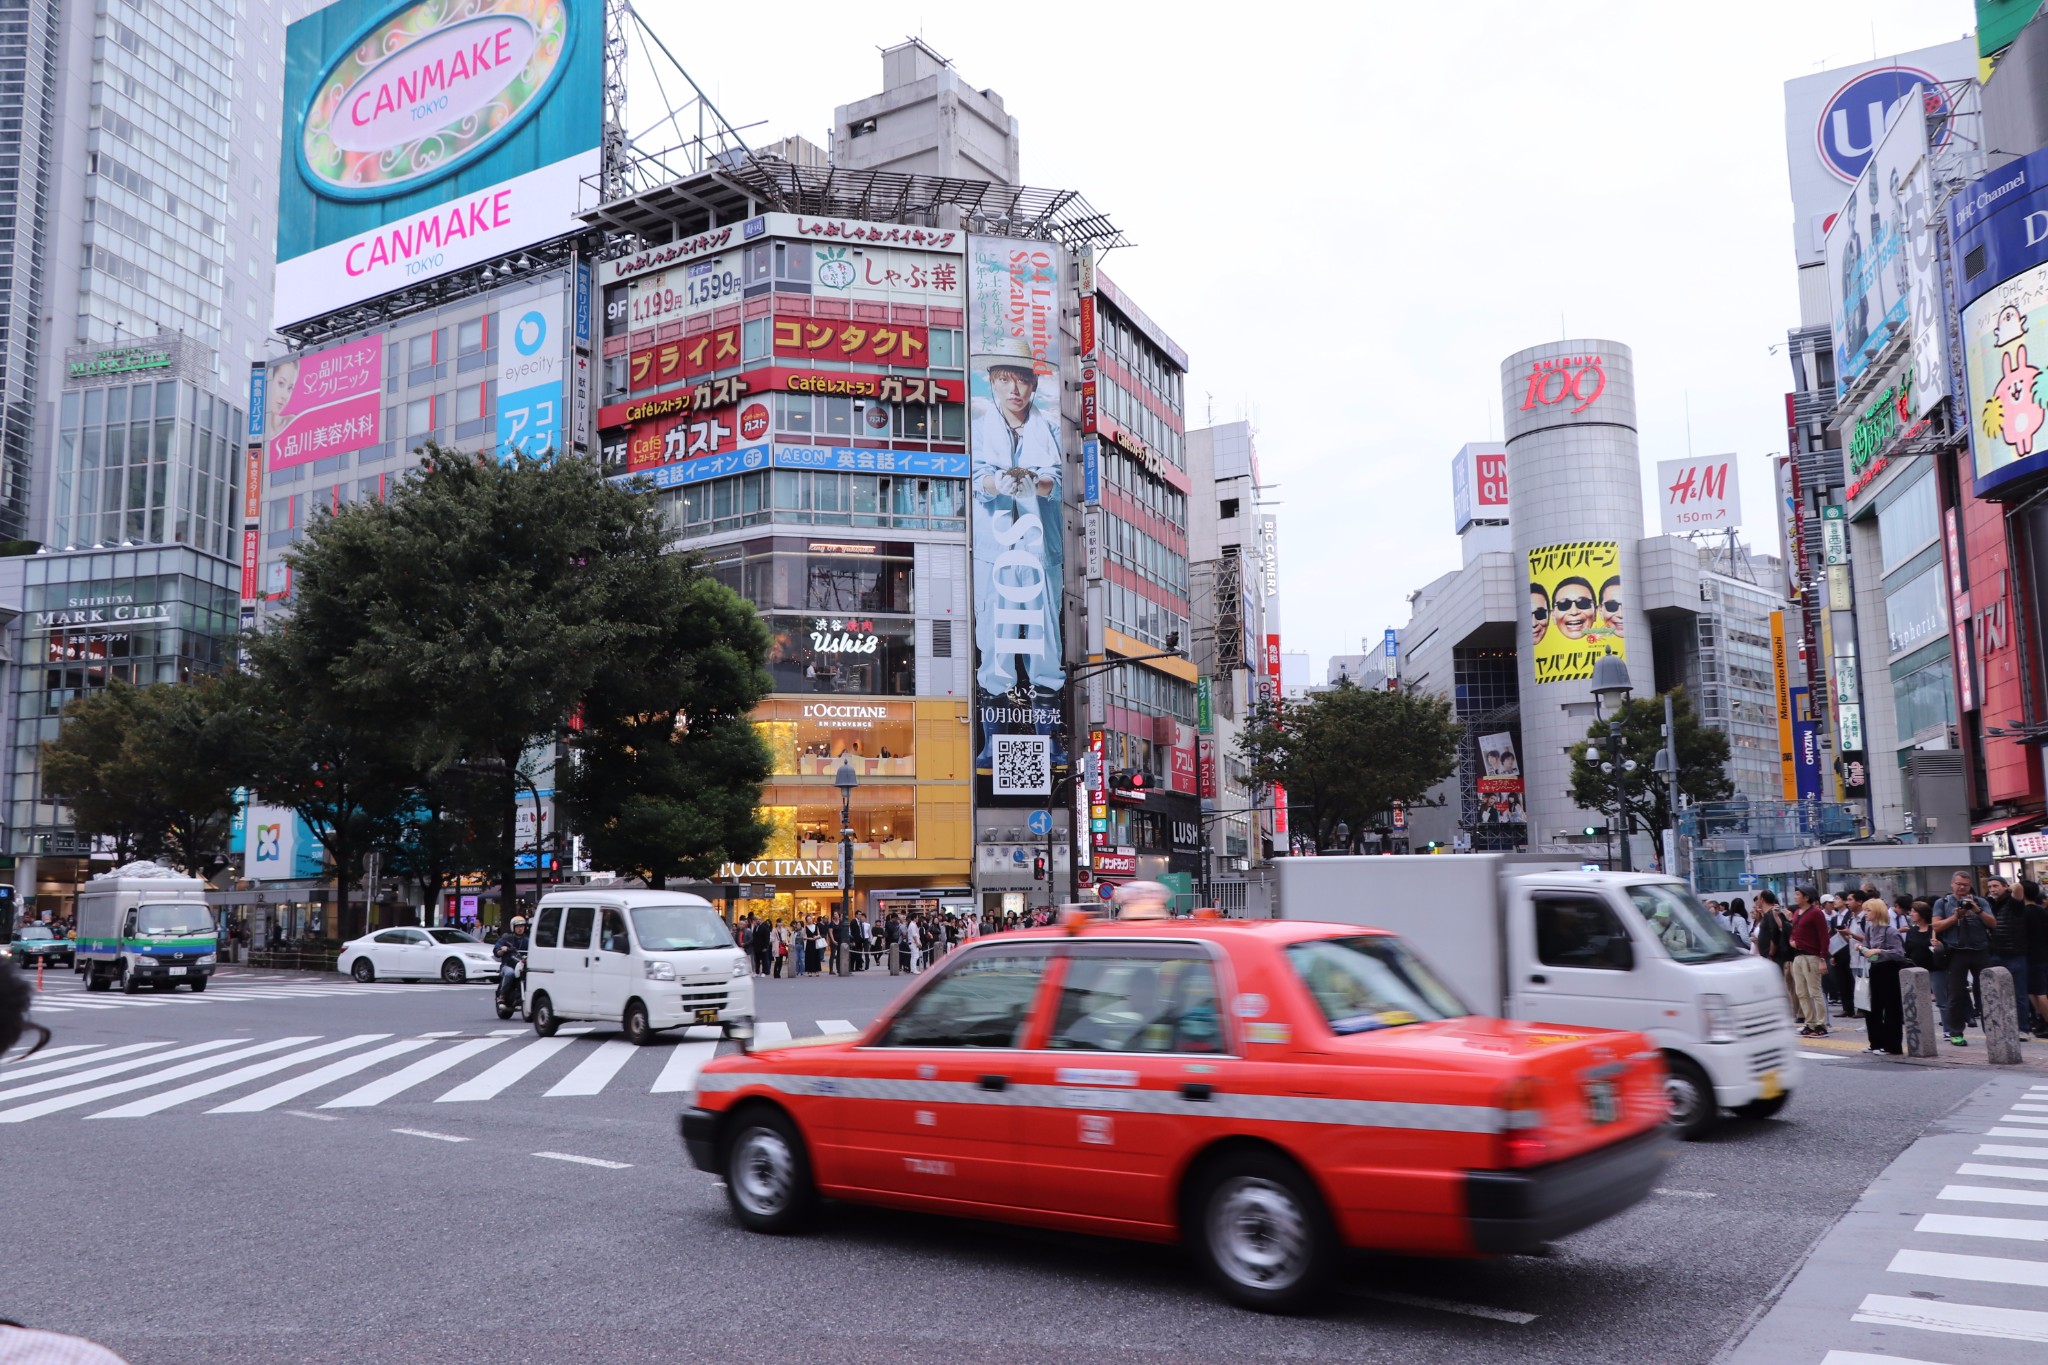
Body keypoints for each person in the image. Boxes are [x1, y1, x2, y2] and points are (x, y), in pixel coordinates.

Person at [969, 339, 1064, 700]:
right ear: (992, 382)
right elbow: (979, 481)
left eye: (1021, 380)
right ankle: (994, 712)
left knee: (1044, 634)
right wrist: (999, 483)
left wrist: (1030, 482)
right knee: (994, 630)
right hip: (994, 548)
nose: (1014, 389)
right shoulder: (978, 430)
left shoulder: (1051, 430)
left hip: (1039, 546)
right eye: (1005, 380)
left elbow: (1054, 482)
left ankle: (1048, 713)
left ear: (1033, 384)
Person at [1933, 870, 1998, 1047]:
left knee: (1987, 992)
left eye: (1965, 885)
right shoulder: (1943, 902)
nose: (1962, 887)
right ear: (1952, 884)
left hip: (1980, 951)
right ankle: (1956, 1032)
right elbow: (1936, 925)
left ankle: (1993, 1032)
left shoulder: (1981, 902)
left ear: (1970, 886)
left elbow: (1992, 923)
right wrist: (1955, 917)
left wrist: (1977, 910)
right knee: (1956, 995)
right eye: (1959, 883)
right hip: (1956, 952)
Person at [1986, 875, 2035, 1037]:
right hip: (1995, 954)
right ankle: (2004, 1026)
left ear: (2005, 887)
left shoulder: (2014, 902)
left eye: (1996, 886)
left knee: (2019, 993)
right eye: (1990, 886)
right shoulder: (1989, 904)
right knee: (1997, 993)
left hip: (2015, 954)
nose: (1993, 889)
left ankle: (2023, 1028)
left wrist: (2010, 886)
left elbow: (2019, 887)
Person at [1857, 899, 1906, 1056]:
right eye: (1865, 910)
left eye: (1869, 910)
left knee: (1891, 1008)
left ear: (1878, 911)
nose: (1866, 913)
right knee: (1873, 1007)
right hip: (1875, 969)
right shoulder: (1870, 930)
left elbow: (1900, 953)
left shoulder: (1890, 931)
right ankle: (1875, 1042)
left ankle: (1892, 1045)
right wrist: (1861, 948)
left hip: (1889, 971)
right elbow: (1866, 949)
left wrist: (1878, 951)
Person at [1787, 885, 1831, 1037]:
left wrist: (1822, 957)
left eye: (1798, 894)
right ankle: (1810, 1022)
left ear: (1807, 897)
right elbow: (1793, 931)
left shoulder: (1816, 913)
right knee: (1801, 992)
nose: (1795, 897)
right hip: (1798, 956)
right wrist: (1792, 940)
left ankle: (1821, 1024)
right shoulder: (1797, 912)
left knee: (1815, 992)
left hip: (1812, 956)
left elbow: (1823, 937)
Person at [1753, 890, 1799, 1017]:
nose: (1756, 901)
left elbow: (1775, 935)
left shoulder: (1772, 914)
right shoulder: (1766, 915)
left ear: (1762, 899)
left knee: (1783, 984)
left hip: (1775, 956)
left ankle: (1788, 1011)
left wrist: (1771, 954)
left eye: (1757, 898)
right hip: (1769, 955)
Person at [2024, 879, 2048, 1040]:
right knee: (2036, 991)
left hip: (2031, 956)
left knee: (2038, 992)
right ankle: (2041, 1020)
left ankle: (2044, 1021)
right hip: (2044, 954)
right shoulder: (2042, 911)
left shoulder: (2023, 913)